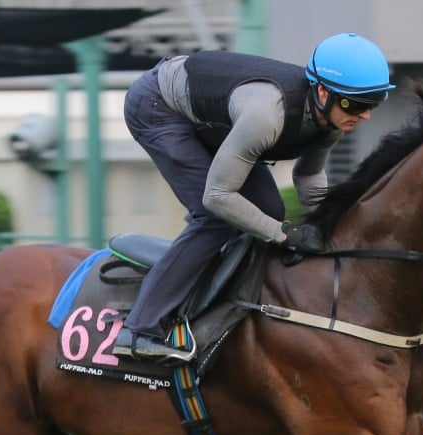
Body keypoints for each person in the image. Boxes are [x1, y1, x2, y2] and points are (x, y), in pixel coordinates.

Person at [113, 32, 395, 362]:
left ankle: (218, 293)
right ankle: (139, 330)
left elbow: (308, 176)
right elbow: (218, 196)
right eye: (356, 104)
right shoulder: (266, 116)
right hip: (159, 105)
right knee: (217, 218)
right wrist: (284, 234)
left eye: (373, 104)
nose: (364, 116)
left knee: (268, 211)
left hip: (210, 111)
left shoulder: (332, 119)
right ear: (322, 92)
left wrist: (333, 231)